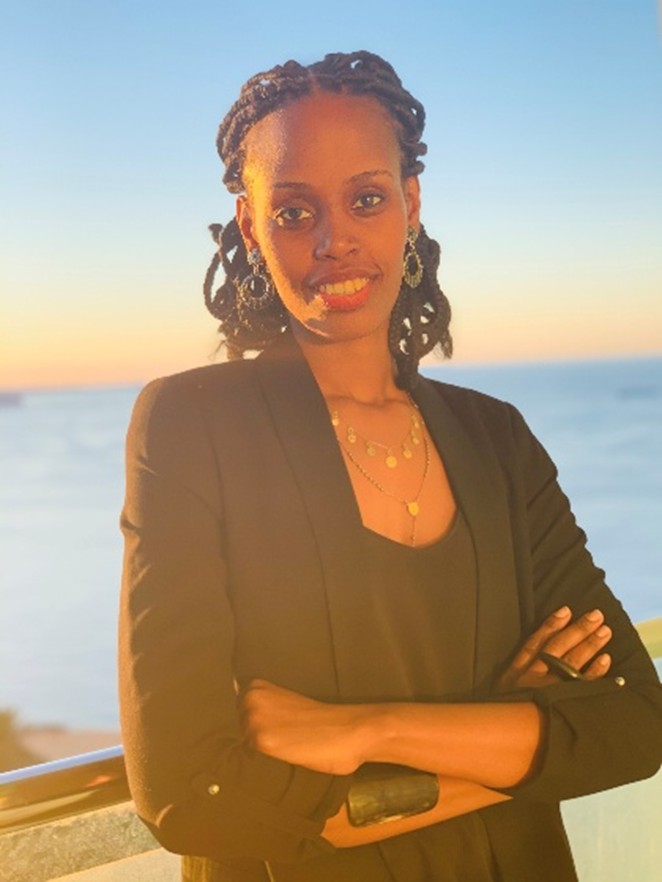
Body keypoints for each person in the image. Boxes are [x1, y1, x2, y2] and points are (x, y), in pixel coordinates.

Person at [118, 51, 661, 882]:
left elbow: (632, 723)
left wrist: (365, 731)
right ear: (251, 227)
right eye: (294, 211)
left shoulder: (495, 438)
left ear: (410, 203)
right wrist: (505, 732)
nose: (334, 241)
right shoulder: (193, 425)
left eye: (366, 199)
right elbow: (196, 791)